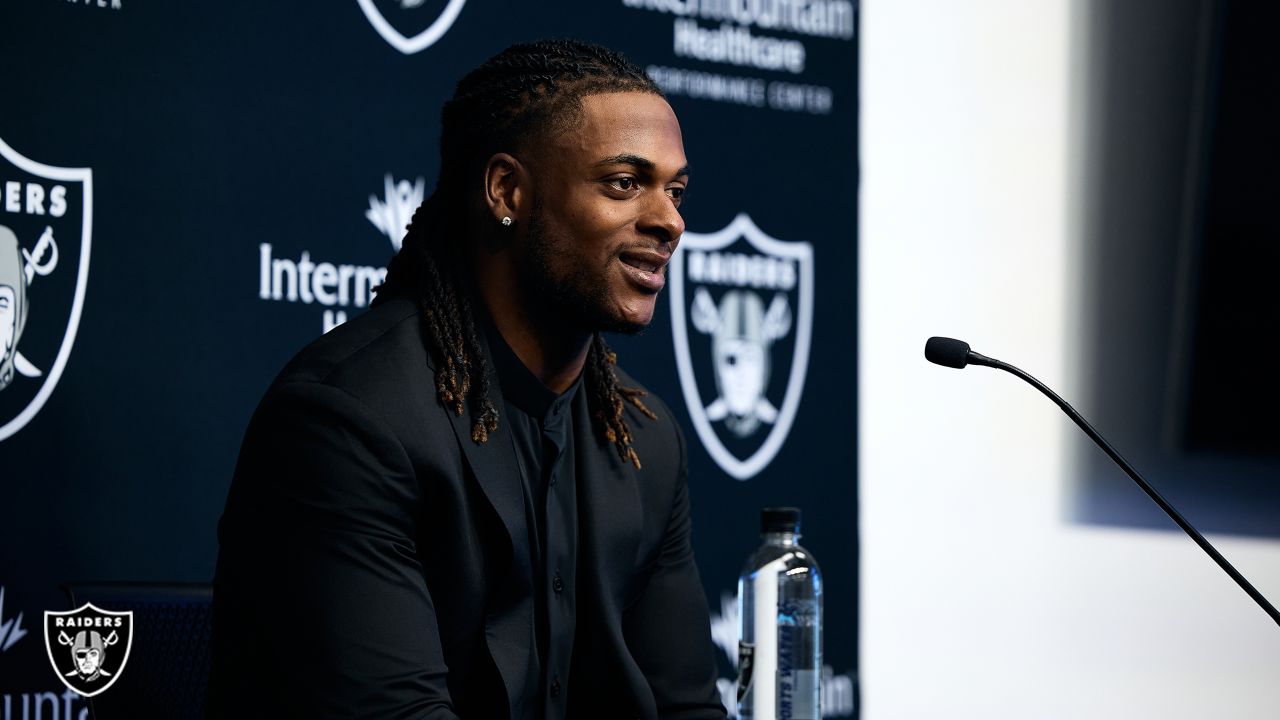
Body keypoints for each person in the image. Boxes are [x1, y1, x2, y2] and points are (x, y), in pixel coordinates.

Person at [209, 40, 727, 720]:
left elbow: (686, 710)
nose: (670, 221)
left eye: (675, 190)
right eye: (624, 184)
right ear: (507, 191)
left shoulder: (645, 442)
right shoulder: (347, 422)